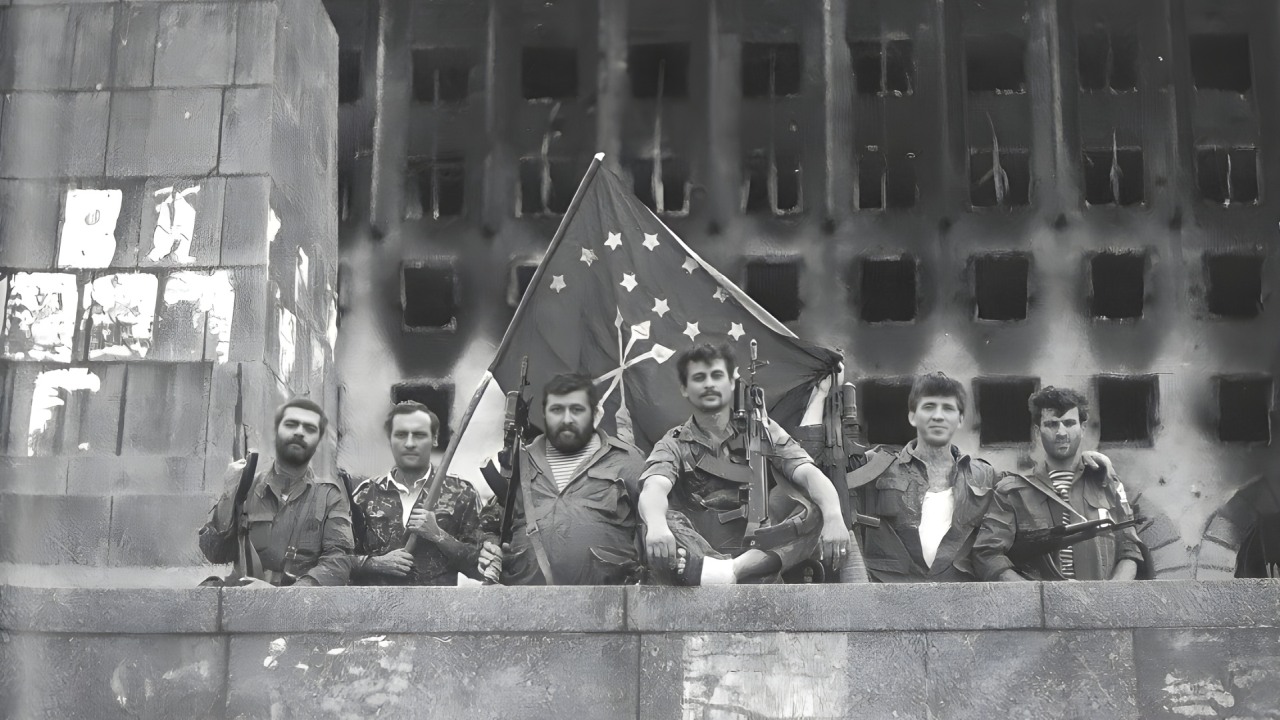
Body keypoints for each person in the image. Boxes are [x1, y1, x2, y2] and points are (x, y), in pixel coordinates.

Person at [637, 343, 850, 585]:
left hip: (749, 556)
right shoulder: (673, 442)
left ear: (731, 384)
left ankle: (731, 572)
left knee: (814, 504)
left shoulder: (763, 431)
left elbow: (808, 474)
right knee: (656, 520)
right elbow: (654, 487)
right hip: (695, 553)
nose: (709, 384)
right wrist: (656, 525)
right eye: (699, 378)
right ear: (685, 389)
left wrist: (834, 516)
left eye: (717, 375)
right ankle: (721, 572)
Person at [476, 373, 645, 585]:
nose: (567, 419)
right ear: (544, 414)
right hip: (527, 602)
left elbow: (659, 521)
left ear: (594, 413)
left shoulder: (626, 460)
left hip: (608, 604)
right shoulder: (520, 461)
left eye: (577, 409)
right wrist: (488, 546)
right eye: (557, 410)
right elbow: (490, 525)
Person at [973, 387, 1145, 581]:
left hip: (1100, 607)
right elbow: (987, 554)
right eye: (1052, 424)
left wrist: (1106, 600)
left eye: (1069, 423)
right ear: (1038, 431)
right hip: (1038, 609)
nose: (1061, 432)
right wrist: (1033, 596)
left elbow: (1130, 551)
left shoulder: (1107, 485)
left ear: (1083, 428)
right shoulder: (1013, 492)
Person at [845, 372, 998, 582]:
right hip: (890, 597)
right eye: (929, 406)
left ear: (960, 419)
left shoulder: (983, 476)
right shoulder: (876, 466)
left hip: (961, 598)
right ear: (912, 416)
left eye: (948, 408)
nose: (938, 416)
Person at [199, 397, 353, 586]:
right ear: (275, 433)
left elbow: (339, 561)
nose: (299, 432)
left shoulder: (329, 497)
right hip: (242, 602)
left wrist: (287, 597)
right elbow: (214, 553)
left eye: (310, 428)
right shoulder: (245, 488)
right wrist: (228, 496)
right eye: (291, 424)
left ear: (318, 442)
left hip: (299, 606)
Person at [348, 402, 485, 585]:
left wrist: (439, 536)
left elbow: (481, 568)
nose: (410, 443)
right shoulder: (364, 496)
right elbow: (337, 561)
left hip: (437, 611)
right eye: (401, 435)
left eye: (419, 435)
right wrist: (374, 564)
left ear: (434, 439)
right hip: (378, 610)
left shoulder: (462, 493)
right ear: (390, 440)